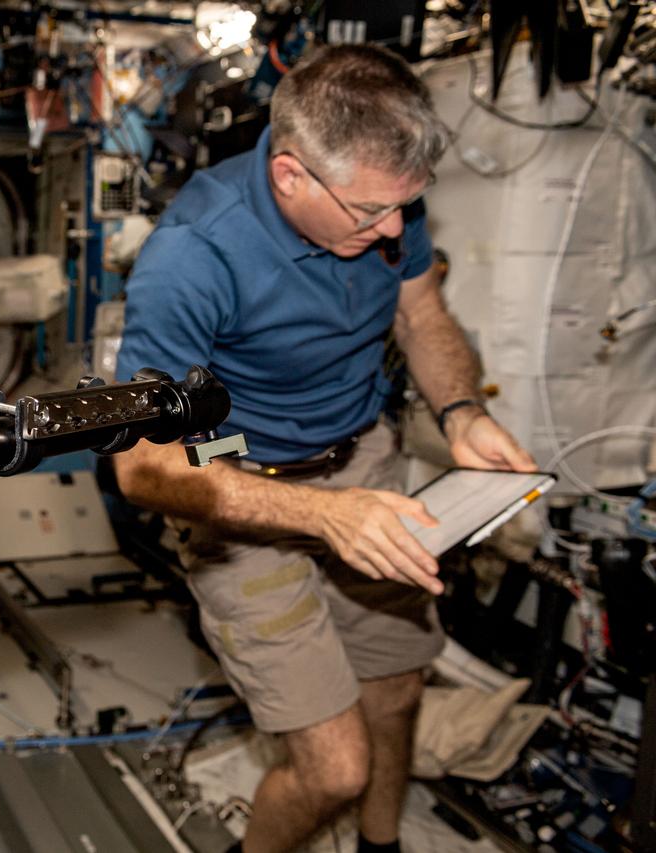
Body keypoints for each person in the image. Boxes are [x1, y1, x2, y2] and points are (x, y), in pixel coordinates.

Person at [112, 44, 537, 853]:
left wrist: (460, 413)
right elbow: (143, 467)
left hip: (362, 463)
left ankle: (381, 846)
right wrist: (325, 515)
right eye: (370, 212)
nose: (393, 229)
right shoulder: (193, 255)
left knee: (398, 691)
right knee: (334, 768)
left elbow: (421, 313)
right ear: (290, 176)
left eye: (405, 206)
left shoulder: (386, 201)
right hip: (235, 483)